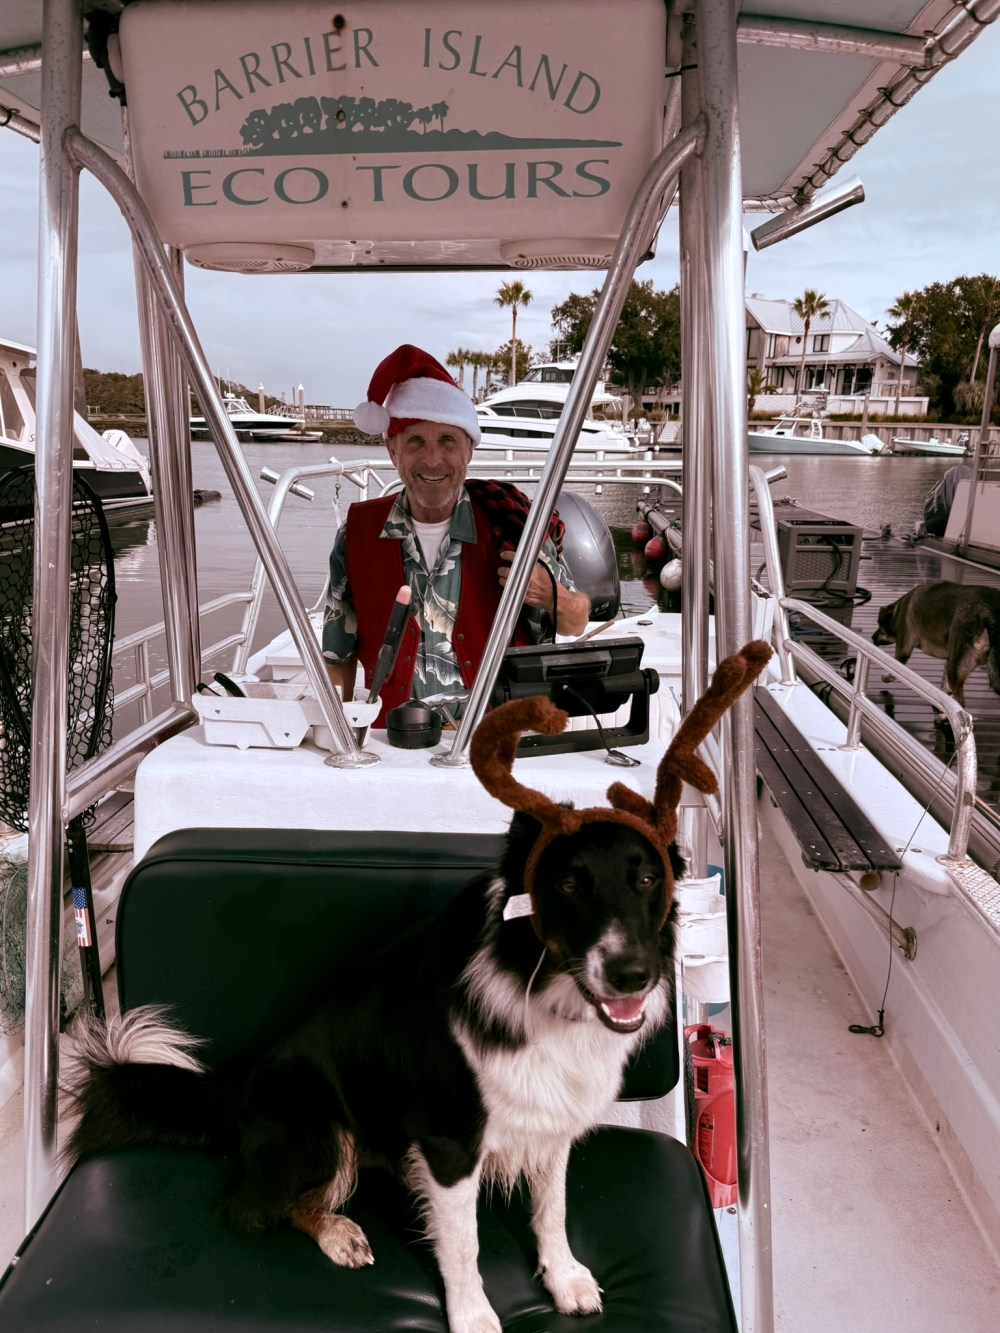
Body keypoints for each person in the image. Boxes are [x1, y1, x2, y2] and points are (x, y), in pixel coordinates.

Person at [322, 345, 590, 723]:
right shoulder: (356, 534)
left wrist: (550, 595)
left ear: (469, 449)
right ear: (392, 449)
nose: (433, 460)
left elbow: (576, 622)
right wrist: (341, 734)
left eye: (448, 441)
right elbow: (338, 656)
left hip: (490, 739)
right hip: (391, 744)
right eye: (415, 441)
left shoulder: (514, 528)